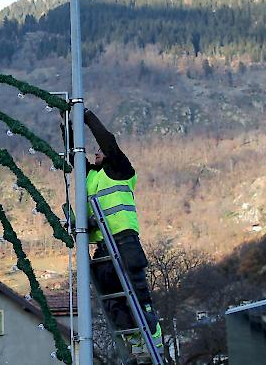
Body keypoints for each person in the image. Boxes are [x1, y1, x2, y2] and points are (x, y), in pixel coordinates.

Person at [66, 108, 162, 353]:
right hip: (103, 248)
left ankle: (152, 339)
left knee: (137, 296)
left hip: (124, 241)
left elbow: (107, 141)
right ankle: (133, 341)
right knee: (112, 299)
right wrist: (65, 123)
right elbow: (73, 156)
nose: (97, 153)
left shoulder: (119, 168)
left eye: (99, 152)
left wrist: (86, 117)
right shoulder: (91, 177)